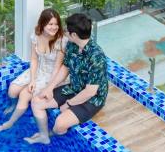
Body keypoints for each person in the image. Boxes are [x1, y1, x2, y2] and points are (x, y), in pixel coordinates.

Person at [27, 12, 108, 145]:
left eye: (67, 30)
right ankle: (43, 135)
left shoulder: (96, 57)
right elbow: (65, 68)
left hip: (92, 99)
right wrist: (49, 88)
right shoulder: (72, 46)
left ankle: (54, 136)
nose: (64, 32)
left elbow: (90, 92)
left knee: (60, 123)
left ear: (74, 35)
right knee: (36, 101)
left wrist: (69, 104)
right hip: (74, 87)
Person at [0, 9, 65, 133]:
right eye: (50, 24)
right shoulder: (36, 35)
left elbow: (57, 67)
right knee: (13, 90)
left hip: (52, 75)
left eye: (56, 24)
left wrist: (48, 87)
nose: (54, 27)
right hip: (39, 69)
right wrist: (32, 80)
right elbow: (34, 59)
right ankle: (14, 106)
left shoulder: (61, 41)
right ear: (43, 24)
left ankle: (8, 124)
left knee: (24, 95)